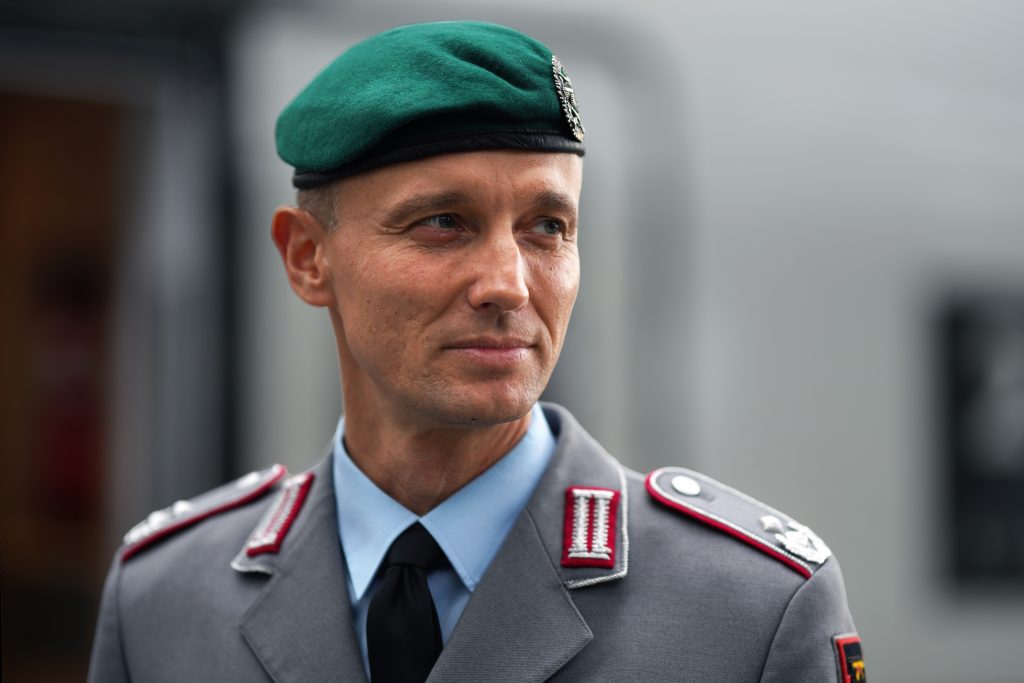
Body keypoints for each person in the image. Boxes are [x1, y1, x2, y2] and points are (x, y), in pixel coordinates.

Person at [88, 20, 864, 683]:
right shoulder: (164, 600)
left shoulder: (753, 612)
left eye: (548, 227)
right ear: (307, 259)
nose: (508, 284)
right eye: (443, 222)